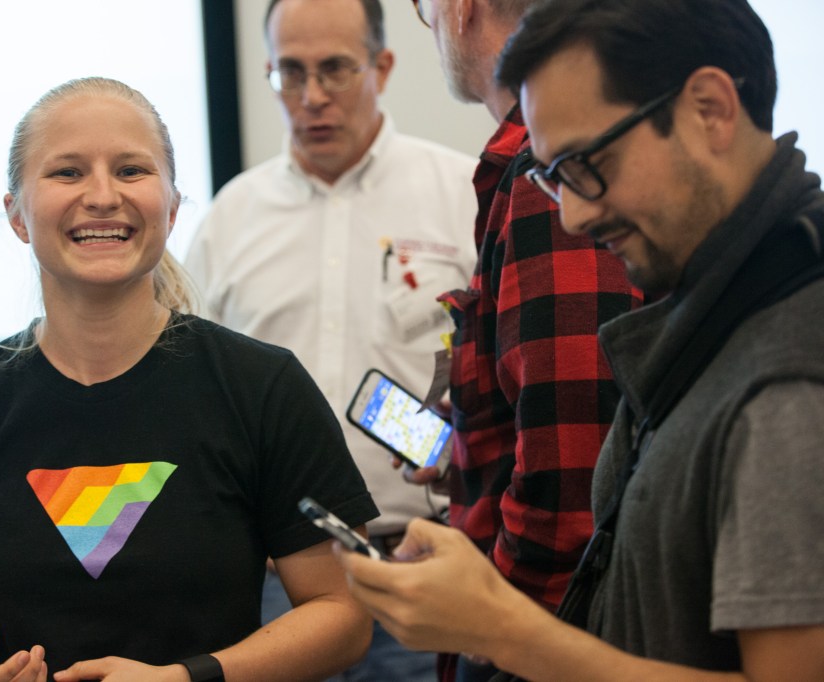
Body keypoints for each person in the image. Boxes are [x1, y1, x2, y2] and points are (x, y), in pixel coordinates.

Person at [338, 0, 824, 678]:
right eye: (552, 177)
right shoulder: (713, 314)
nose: (572, 216)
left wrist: (503, 629)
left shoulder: (785, 374)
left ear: (710, 109)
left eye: (587, 163)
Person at [0, 76, 379, 682]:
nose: (103, 196)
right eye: (67, 172)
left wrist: (188, 678)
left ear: (172, 207)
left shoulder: (264, 388)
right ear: (17, 215)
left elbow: (343, 613)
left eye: (131, 170)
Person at [185, 1, 477, 678]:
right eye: (290, 73)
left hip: (422, 564)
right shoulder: (230, 219)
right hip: (270, 585)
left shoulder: (464, 194)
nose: (312, 96)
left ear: (383, 66)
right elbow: (192, 397)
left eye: (335, 69)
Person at [405, 1, 642, 678]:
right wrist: (474, 436)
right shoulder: (533, 165)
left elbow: (569, 488)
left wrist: (495, 638)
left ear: (461, 8)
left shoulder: (545, 172)